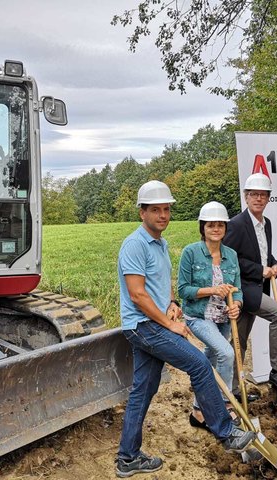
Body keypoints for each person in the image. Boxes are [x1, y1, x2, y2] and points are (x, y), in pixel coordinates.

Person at [116, 181, 256, 478]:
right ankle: (225, 431)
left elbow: (159, 286)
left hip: (154, 322)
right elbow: (137, 294)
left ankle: (127, 458)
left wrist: (171, 302)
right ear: (142, 213)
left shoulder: (161, 244)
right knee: (200, 363)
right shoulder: (135, 245)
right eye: (156, 210)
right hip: (143, 326)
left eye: (167, 209)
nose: (163, 215)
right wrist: (170, 324)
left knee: (143, 389)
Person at [223, 173, 277, 398]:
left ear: (268, 199)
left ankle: (235, 389)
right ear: (246, 197)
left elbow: (262, 254)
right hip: (243, 289)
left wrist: (274, 264)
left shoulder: (266, 224)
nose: (258, 198)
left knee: (240, 340)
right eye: (253, 194)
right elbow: (228, 258)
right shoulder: (236, 225)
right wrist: (259, 270)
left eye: (263, 195)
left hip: (257, 288)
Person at [177, 201, 242, 429]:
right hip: (199, 317)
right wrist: (213, 290)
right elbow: (183, 290)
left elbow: (237, 289)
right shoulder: (191, 253)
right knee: (226, 353)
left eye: (220, 225)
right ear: (202, 227)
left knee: (211, 360)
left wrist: (237, 305)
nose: (216, 229)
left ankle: (198, 410)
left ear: (225, 228)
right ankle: (224, 405)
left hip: (223, 319)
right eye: (210, 225)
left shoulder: (231, 255)